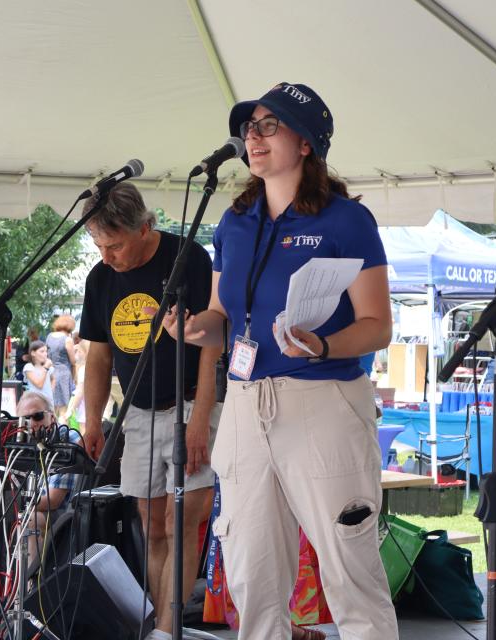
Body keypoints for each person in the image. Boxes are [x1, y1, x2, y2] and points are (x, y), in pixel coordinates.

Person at [164, 82, 398, 639]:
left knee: (349, 567)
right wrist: (197, 329)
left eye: (270, 126)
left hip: (324, 401)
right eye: (250, 127)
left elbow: (378, 326)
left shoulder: (346, 221)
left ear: (307, 143)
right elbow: (223, 314)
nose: (253, 136)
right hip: (247, 403)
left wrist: (322, 344)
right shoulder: (234, 222)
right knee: (251, 570)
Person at [78, 181, 222, 638]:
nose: (107, 256)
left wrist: (200, 417)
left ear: (145, 227)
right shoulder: (100, 279)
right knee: (151, 523)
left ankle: (164, 628)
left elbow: (210, 346)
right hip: (138, 410)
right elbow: (98, 357)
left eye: (115, 245)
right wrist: (92, 420)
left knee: (182, 520)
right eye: (99, 245)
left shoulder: (189, 258)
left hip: (192, 401)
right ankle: (162, 625)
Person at [13, 392, 83, 569]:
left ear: (51, 417)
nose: (32, 423)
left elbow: (53, 500)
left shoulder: (68, 441)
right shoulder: (23, 443)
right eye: (25, 419)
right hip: (32, 505)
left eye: (37, 416)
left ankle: (30, 587)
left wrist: (15, 502)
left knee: (31, 520)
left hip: (64, 513)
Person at [46, 314, 77, 417]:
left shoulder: (49, 336)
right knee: (64, 409)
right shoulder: (67, 340)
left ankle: (51, 430)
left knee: (52, 407)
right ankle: (63, 431)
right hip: (64, 374)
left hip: (51, 372)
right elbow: (73, 361)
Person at [23, 340, 55, 406]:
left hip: (48, 402)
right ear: (33, 353)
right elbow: (39, 384)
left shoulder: (49, 367)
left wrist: (50, 391)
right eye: (42, 351)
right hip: (35, 403)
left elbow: (53, 379)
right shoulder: (29, 367)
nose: (45, 354)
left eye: (46, 351)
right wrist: (46, 367)